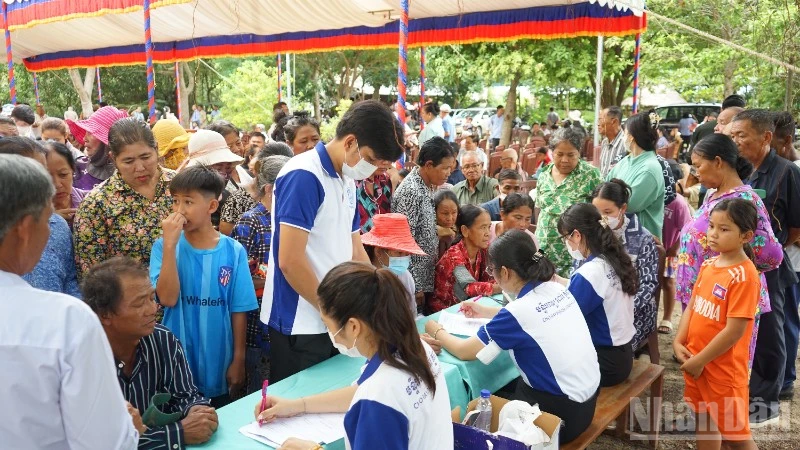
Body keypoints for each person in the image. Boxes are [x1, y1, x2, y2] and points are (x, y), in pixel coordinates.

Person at [0, 154, 142, 449]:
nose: (51, 230)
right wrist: (128, 428)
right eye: (48, 218)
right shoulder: (65, 321)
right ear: (25, 229)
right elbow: (106, 443)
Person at [264, 100, 404, 382]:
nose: (376, 169)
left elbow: (355, 249)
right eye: (373, 160)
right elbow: (289, 261)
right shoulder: (304, 174)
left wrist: (380, 296)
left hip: (336, 317)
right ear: (351, 142)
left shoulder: (347, 179)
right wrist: (330, 312)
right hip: (301, 320)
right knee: (299, 410)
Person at [423, 230, 600, 443]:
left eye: (492, 270)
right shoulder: (555, 289)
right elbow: (533, 316)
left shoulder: (518, 312)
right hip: (587, 403)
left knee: (485, 413)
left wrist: (434, 328)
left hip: (561, 416)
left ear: (505, 272)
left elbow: (465, 352)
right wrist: (486, 311)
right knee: (512, 385)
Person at [256, 262, 453, 449]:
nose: (329, 332)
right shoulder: (416, 349)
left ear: (353, 326)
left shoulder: (378, 400)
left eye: (328, 324)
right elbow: (360, 392)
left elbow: (373, 398)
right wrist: (297, 406)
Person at [82, 257, 218, 448]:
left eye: (152, 298)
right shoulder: (80, 360)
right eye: (139, 304)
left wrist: (198, 412)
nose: (153, 308)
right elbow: (101, 441)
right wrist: (177, 433)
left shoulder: (162, 339)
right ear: (105, 314)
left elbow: (185, 395)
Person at [150, 166, 258, 407]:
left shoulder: (233, 251)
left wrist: (238, 359)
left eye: (188, 202)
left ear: (211, 207)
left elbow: (238, 309)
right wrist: (169, 246)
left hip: (218, 360)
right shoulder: (163, 247)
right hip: (174, 362)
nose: (179, 210)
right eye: (175, 201)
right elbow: (167, 298)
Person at [673, 199, 761, 449]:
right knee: (705, 422)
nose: (713, 234)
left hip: (723, 372)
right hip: (696, 362)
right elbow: (693, 305)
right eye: (712, 226)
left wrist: (700, 361)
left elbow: (735, 331)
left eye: (724, 229)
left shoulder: (745, 275)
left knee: (736, 438)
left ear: (746, 236)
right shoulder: (710, 264)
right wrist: (679, 341)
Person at [731, 109, 800, 425]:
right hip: (741, 265)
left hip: (772, 267)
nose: (736, 142)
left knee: (773, 332)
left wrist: (769, 252)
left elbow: (796, 228)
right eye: (733, 136)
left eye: (741, 135)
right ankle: (748, 390)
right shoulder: (742, 171)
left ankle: (767, 400)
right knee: (746, 329)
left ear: (767, 137)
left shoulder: (787, 172)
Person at [74, 118, 176, 276]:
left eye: (145, 157)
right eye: (128, 161)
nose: (140, 168)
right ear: (113, 159)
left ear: (156, 149)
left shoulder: (180, 186)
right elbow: (92, 276)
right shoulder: (96, 205)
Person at [558, 203, 638, 387]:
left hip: (604, 362)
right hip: (622, 354)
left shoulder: (591, 272)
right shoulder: (613, 258)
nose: (566, 244)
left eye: (565, 238)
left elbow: (564, 317)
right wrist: (560, 281)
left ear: (576, 235)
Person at [232, 155, 291, 394]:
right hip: (256, 326)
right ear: (269, 189)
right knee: (259, 390)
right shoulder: (250, 223)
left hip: (283, 321)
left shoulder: (289, 219)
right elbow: (239, 279)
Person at [0, 138, 81, 301]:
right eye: (34, 172)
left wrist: (72, 311)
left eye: (43, 172)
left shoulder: (58, 225)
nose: (48, 182)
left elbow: (71, 279)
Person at [591, 180, 659, 352]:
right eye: (597, 212)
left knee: (607, 350)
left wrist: (620, 309)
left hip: (634, 311)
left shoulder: (642, 238)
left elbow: (648, 284)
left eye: (607, 212)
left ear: (623, 209)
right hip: (599, 307)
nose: (602, 219)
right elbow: (579, 270)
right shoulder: (591, 233)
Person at [393, 136, 454, 310]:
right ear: (428, 165)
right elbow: (403, 241)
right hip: (413, 281)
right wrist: (415, 285)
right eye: (445, 168)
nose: (448, 173)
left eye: (450, 168)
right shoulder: (411, 191)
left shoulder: (427, 185)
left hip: (424, 274)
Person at [535, 127, 603, 276]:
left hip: (574, 256)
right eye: (559, 154)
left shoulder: (591, 175)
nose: (565, 160)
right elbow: (539, 208)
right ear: (551, 153)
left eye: (571, 155)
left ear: (579, 152)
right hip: (542, 252)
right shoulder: (544, 175)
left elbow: (601, 213)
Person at [430, 205, 500, 313]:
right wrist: (501, 287)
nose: (488, 233)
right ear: (465, 230)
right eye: (482, 227)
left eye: (489, 227)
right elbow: (468, 287)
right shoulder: (454, 257)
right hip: (445, 313)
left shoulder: (483, 251)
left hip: (466, 308)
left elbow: (489, 278)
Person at [607, 111, 665, 238]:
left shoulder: (650, 169)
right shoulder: (626, 161)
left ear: (631, 136)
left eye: (624, 133)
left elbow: (629, 205)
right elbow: (605, 186)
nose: (622, 137)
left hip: (640, 241)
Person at [182, 129, 246, 231]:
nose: (224, 175)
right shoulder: (182, 196)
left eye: (228, 169)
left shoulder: (231, 195)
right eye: (218, 169)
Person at [362, 213, 426, 315]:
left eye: (407, 253)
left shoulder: (405, 276)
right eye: (399, 253)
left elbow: (411, 314)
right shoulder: (364, 281)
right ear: (378, 251)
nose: (404, 258)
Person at [659, 163, 694, 334]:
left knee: (668, 281)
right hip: (655, 251)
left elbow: (686, 230)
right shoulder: (655, 197)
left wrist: (674, 249)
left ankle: (667, 317)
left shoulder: (678, 203)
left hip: (671, 251)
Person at [67, 105, 129, 190]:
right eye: (86, 132)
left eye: (90, 132)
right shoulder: (77, 169)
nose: (84, 138)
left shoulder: (132, 174)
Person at [44, 141, 87, 227]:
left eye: (63, 175)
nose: (57, 184)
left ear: (73, 170)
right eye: (47, 177)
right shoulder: (31, 214)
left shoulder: (89, 201)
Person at [206, 121, 253, 186]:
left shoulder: (243, 171)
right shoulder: (212, 181)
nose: (237, 149)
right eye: (229, 146)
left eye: (238, 143)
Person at [355, 161, 394, 233]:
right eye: (380, 156)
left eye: (390, 158)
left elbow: (388, 215)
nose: (386, 162)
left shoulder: (385, 180)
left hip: (382, 241)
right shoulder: (351, 181)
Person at [598, 106, 625, 178]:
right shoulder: (604, 142)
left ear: (614, 122)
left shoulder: (626, 144)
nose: (598, 124)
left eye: (600, 120)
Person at [434, 189, 459, 260]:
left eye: (454, 212)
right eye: (445, 213)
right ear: (434, 212)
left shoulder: (461, 231)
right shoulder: (427, 233)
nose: (450, 218)